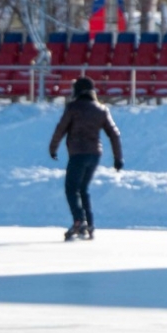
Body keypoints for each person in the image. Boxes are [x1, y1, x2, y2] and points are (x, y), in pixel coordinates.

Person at [49, 76, 123, 241]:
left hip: (78, 154)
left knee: (71, 188)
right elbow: (114, 134)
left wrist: (53, 148)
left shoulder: (73, 108)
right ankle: (89, 224)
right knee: (83, 189)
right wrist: (118, 158)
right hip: (95, 155)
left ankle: (78, 221)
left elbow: (60, 129)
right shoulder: (101, 109)